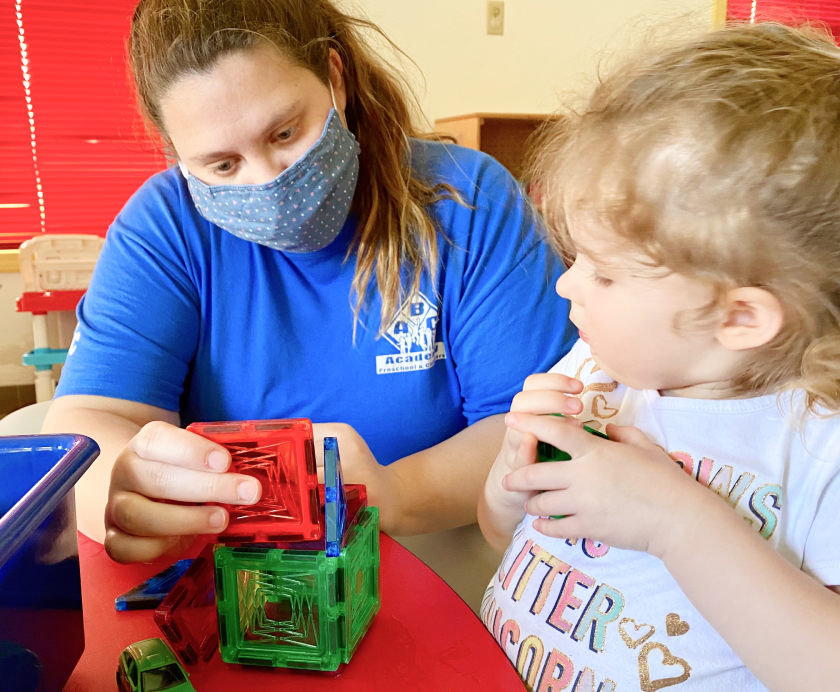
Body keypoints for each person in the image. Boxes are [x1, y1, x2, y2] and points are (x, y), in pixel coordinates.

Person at [41, 0, 576, 563]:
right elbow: (89, 420)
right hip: (237, 579)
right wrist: (123, 491)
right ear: (178, 157)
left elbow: (526, 428)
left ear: (334, 77)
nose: (269, 183)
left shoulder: (470, 202)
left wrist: (392, 495)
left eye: (285, 132)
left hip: (442, 560)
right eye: (222, 166)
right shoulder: (164, 227)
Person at [478, 23, 840, 692]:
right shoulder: (596, 369)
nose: (566, 284)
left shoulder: (819, 443)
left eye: (605, 273)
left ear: (738, 316)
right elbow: (500, 536)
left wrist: (676, 522)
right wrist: (511, 475)